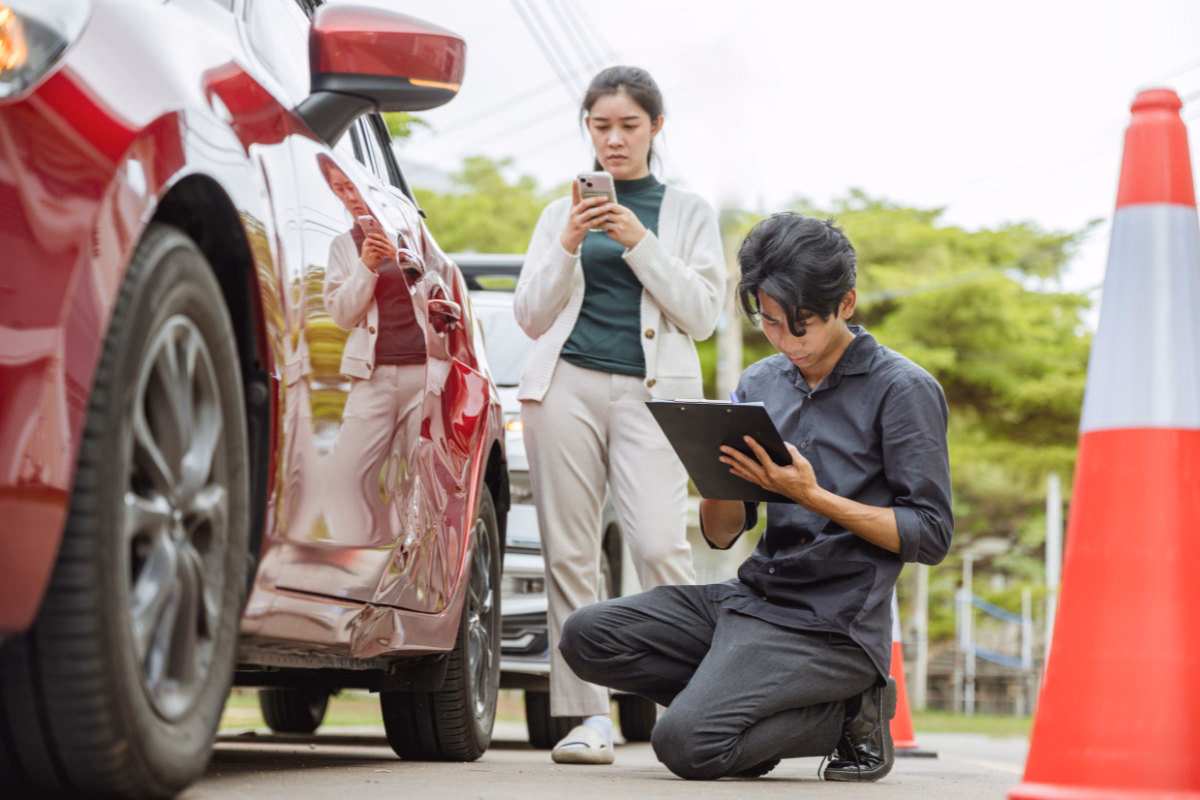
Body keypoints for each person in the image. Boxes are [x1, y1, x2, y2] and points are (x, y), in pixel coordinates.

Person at [558, 213, 954, 781]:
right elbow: (723, 532)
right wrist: (715, 476)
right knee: (588, 636)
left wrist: (811, 496)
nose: (785, 340)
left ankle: (851, 711)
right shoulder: (762, 382)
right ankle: (747, 713)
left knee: (685, 744)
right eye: (768, 322)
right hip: (752, 600)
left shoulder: (903, 389)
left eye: (801, 326)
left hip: (832, 624)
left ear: (846, 303)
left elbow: (931, 535)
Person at [513, 66, 726, 764]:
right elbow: (530, 314)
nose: (613, 139)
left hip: (653, 394)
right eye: (600, 126)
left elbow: (702, 316)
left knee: (661, 545)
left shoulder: (688, 211)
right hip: (565, 385)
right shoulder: (558, 212)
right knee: (569, 554)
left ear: (655, 128)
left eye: (628, 125)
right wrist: (571, 240)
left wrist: (638, 239)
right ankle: (587, 719)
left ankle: (692, 708)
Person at [319, 154, 428, 546]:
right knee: (344, 473)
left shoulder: (412, 232)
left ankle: (411, 559)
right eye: (340, 189)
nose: (350, 196)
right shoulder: (342, 246)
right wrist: (366, 266)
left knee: (417, 475)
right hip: (373, 372)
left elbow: (441, 289)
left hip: (426, 372)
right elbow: (342, 315)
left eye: (353, 186)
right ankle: (357, 552)